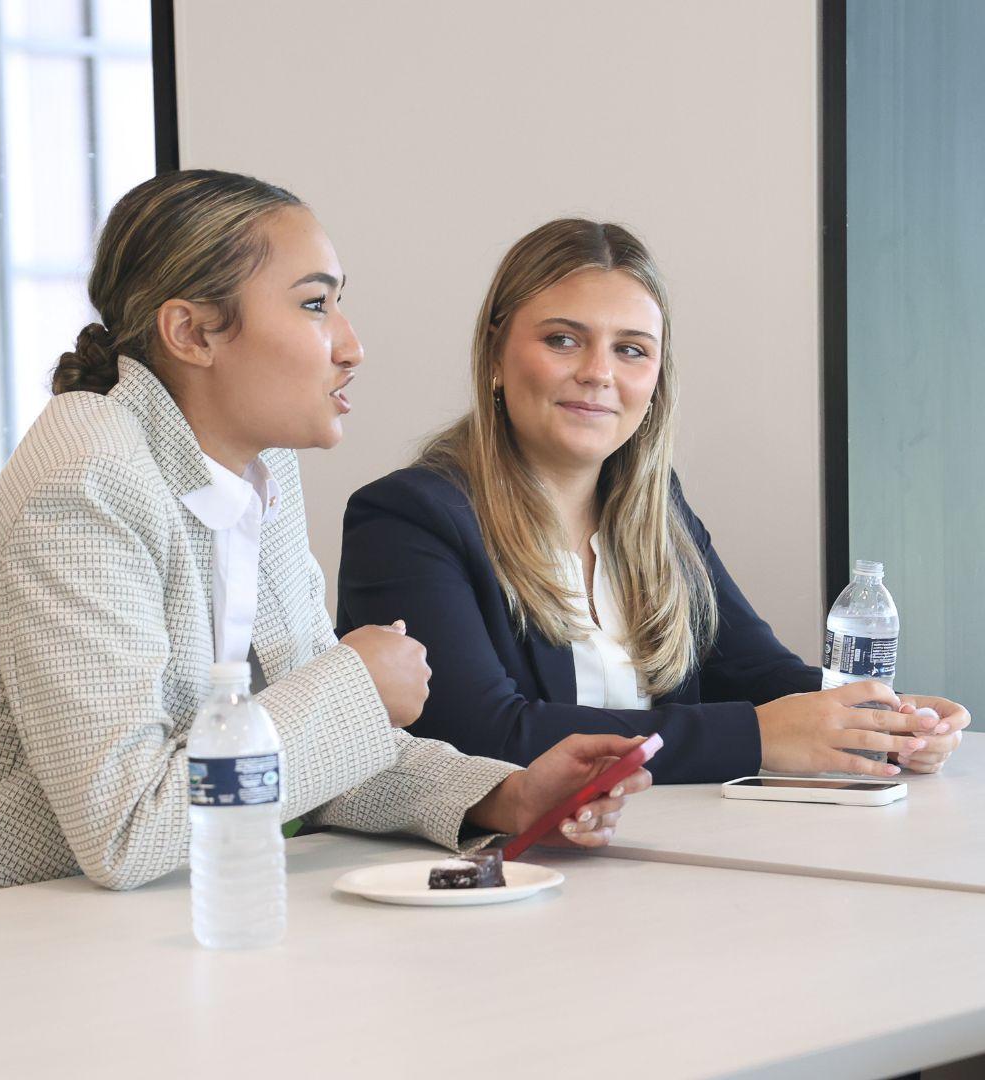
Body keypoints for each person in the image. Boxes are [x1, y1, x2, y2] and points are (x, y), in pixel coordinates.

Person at [0, 176, 651, 904]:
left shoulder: (263, 467)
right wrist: (353, 688)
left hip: (156, 917)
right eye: (315, 305)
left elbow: (308, 747)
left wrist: (505, 793)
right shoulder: (89, 481)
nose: (351, 345)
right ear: (192, 332)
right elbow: (129, 827)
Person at [337, 218, 970, 782]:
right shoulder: (408, 518)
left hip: (670, 859)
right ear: (496, 355)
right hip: (507, 875)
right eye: (562, 339)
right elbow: (481, 737)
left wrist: (882, 721)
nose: (598, 372)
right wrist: (757, 739)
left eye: (631, 350)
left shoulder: (654, 509)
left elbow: (760, 675)